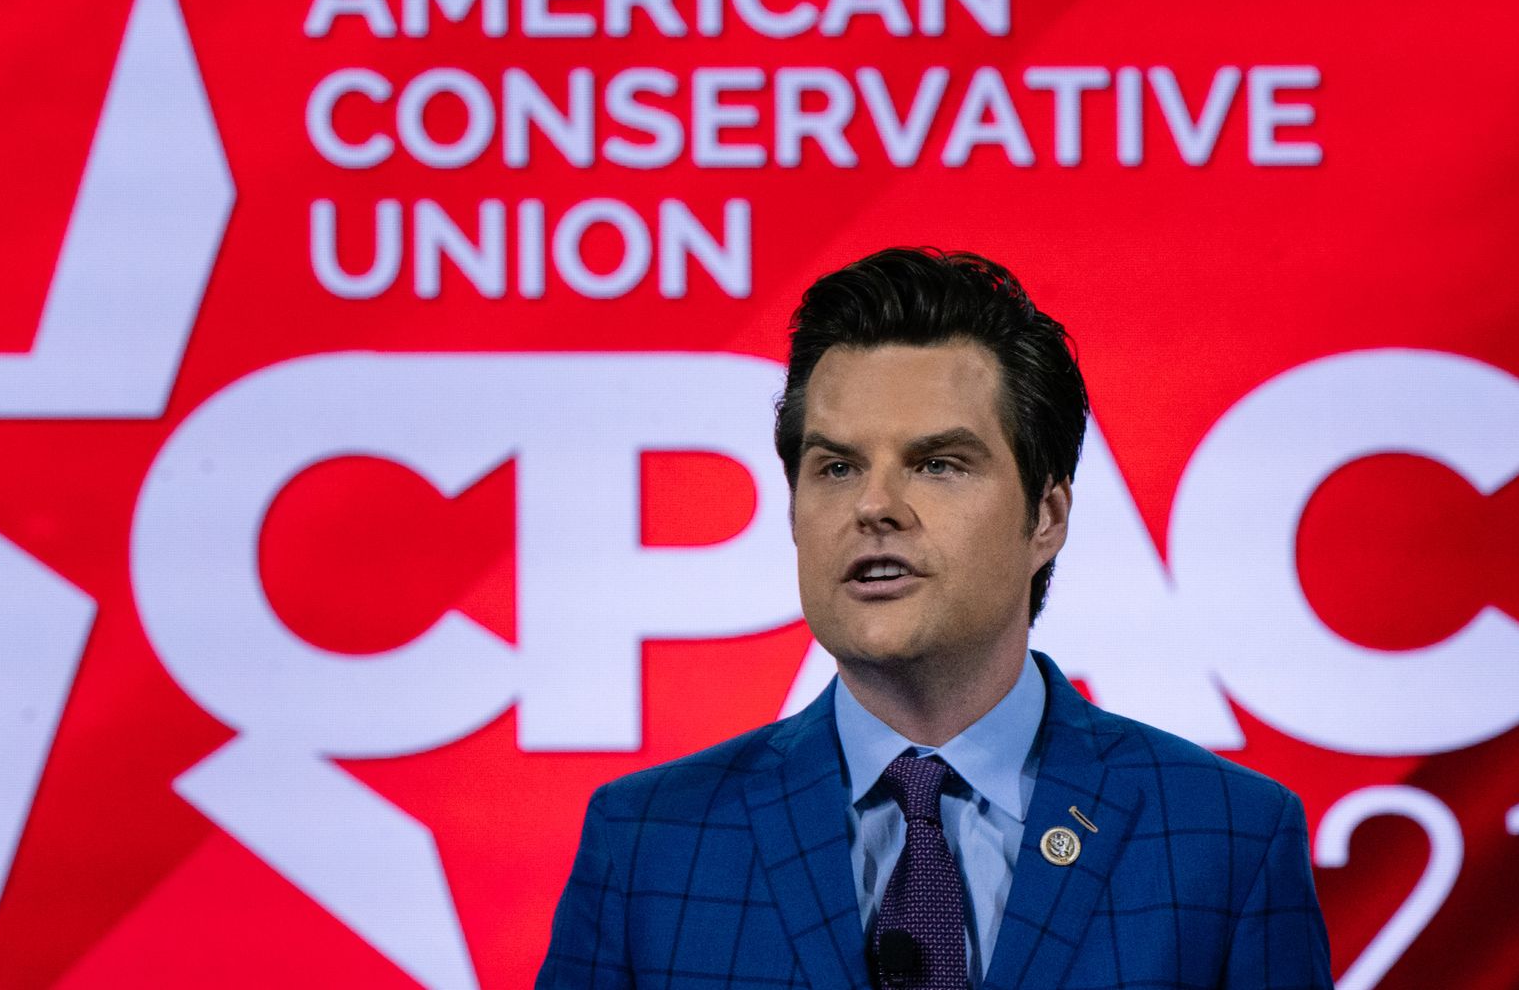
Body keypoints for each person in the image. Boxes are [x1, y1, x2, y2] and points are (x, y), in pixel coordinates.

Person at [537, 248, 1333, 989]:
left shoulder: (1225, 841)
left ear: (1046, 516)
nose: (874, 506)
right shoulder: (646, 846)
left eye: (938, 464)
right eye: (837, 466)